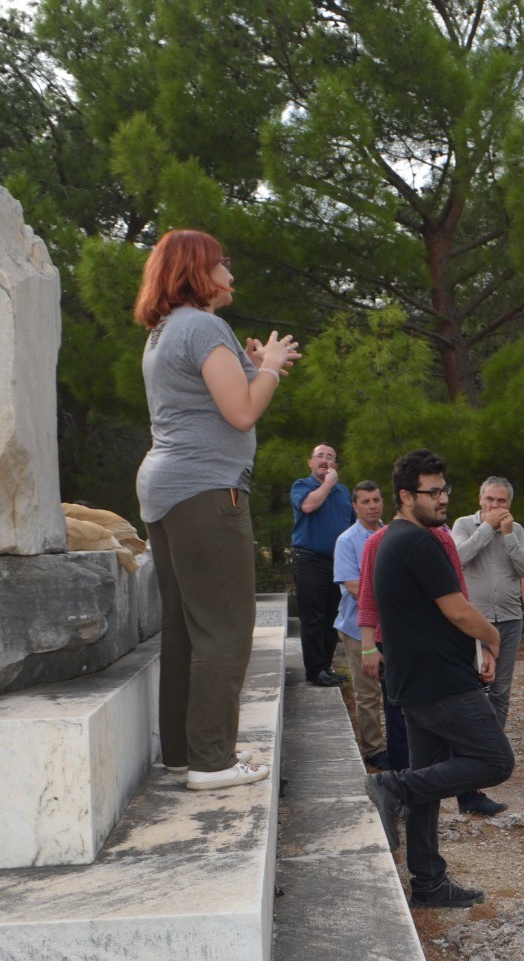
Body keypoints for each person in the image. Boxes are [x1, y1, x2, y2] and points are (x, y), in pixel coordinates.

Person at [133, 229, 297, 791]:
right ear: (198, 270)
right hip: (206, 491)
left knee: (185, 626)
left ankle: (184, 753)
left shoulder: (165, 331)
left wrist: (254, 369)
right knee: (226, 626)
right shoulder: (203, 325)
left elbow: (218, 401)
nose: (230, 270)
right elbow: (242, 413)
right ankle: (213, 762)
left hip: (167, 488)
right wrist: (270, 366)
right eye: (222, 262)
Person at [364, 449, 515, 908]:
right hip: (440, 683)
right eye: (433, 493)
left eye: (445, 489)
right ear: (407, 497)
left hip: (416, 681)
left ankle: (428, 881)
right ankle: (391, 786)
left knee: (429, 780)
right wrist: (493, 640)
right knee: (495, 762)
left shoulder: (397, 539)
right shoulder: (415, 542)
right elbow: (457, 610)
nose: (443, 499)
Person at [356, 517, 468, 776]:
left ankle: (468, 793)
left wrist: (475, 642)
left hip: (440, 642)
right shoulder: (376, 542)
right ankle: (402, 789)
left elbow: (460, 593)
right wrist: (368, 647)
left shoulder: (442, 539)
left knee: (456, 712)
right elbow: (367, 599)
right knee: (400, 718)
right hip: (394, 644)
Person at [450, 476, 524, 815]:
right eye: (490, 499)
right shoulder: (463, 524)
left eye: (501, 501)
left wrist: (509, 535)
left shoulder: (517, 529)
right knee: (473, 689)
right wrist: (486, 528)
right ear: (479, 498)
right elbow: (457, 559)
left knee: (500, 690)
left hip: (510, 619)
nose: (495, 507)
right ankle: (467, 760)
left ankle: (490, 756)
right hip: (475, 621)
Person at [292, 443, 354, 687]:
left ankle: (326, 667)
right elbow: (308, 506)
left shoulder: (343, 492)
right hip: (309, 559)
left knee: (332, 617)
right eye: (320, 456)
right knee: (313, 618)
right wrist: (328, 483)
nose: (325, 460)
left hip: (337, 562)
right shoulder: (302, 486)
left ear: (335, 465)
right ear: (310, 462)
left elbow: (351, 527)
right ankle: (314, 671)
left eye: (330, 457)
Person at [334, 481, 387, 769]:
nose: (372, 505)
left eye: (376, 499)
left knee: (394, 689)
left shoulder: (391, 533)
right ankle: (374, 749)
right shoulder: (347, 540)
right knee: (368, 691)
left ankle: (401, 744)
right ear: (355, 506)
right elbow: (354, 586)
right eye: (365, 501)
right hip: (357, 627)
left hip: (391, 627)